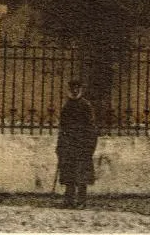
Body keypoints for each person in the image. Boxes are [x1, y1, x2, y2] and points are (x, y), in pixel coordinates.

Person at [55, 79, 98, 208]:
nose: (74, 91)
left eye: (77, 89)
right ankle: (68, 200)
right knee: (68, 173)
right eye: (72, 88)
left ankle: (81, 201)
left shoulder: (86, 106)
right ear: (69, 90)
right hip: (68, 144)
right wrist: (60, 145)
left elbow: (91, 127)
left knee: (82, 175)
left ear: (81, 90)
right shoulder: (66, 106)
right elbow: (62, 128)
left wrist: (90, 146)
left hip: (82, 145)